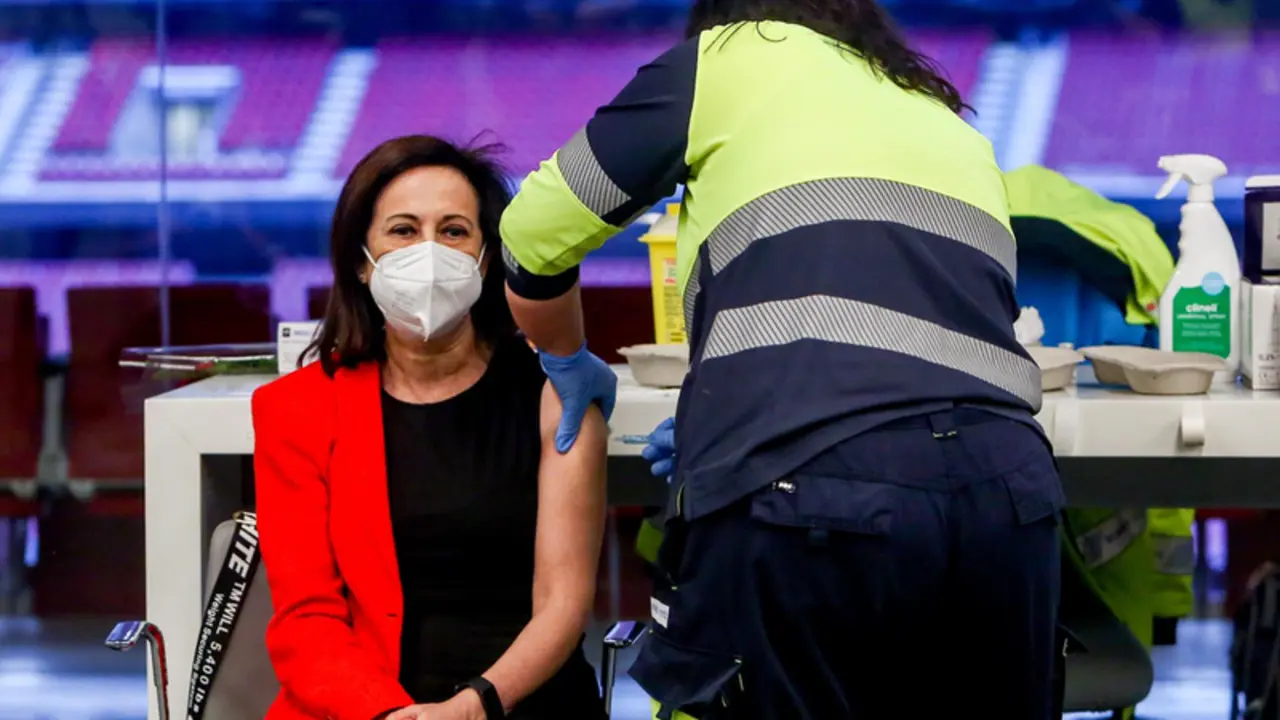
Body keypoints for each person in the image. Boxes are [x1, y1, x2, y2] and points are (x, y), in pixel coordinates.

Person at [497, 2, 1067, 718]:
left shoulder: (727, 56)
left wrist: (565, 354)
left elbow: (529, 237)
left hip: (812, 492)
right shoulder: (946, 118)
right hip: (1008, 496)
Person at [251, 135, 609, 720]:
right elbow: (306, 618)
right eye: (402, 230)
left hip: (521, 703)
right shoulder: (296, 410)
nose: (429, 251)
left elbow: (563, 606)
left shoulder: (558, 394)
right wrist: (390, 714)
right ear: (361, 264)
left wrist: (474, 706)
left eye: (453, 231)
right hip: (362, 709)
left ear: (485, 258)